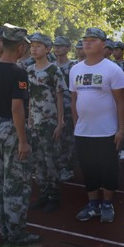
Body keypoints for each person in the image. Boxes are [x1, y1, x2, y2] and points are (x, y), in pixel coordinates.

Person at [0, 25, 40, 245]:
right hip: (12, 130)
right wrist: (23, 140)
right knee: (16, 182)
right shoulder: (18, 72)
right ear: (21, 47)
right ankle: (16, 232)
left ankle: (3, 229)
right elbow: (17, 108)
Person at [70, 27, 124, 223]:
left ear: (103, 44)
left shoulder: (113, 70)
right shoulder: (75, 69)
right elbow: (74, 100)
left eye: (92, 39)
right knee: (88, 169)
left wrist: (121, 130)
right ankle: (93, 204)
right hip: (83, 132)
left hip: (107, 131)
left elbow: (121, 102)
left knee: (108, 170)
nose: (87, 42)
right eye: (85, 39)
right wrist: (76, 125)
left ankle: (107, 204)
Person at [27, 33, 66, 214]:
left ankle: (54, 197)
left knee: (51, 161)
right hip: (34, 123)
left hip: (50, 124)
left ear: (47, 49)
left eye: (38, 46)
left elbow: (60, 97)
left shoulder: (53, 71)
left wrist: (60, 122)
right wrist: (29, 119)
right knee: (38, 162)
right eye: (32, 45)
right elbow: (30, 97)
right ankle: (43, 194)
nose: (34, 49)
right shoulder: (29, 70)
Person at [53, 36, 77, 181]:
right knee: (55, 140)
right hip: (53, 109)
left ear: (68, 48)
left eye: (61, 46)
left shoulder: (74, 67)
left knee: (68, 140)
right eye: (55, 45)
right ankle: (56, 167)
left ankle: (67, 168)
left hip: (68, 109)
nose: (57, 48)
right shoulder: (50, 66)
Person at [111, 41, 124, 160]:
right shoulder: (110, 65)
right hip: (111, 99)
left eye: (117, 50)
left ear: (123, 51)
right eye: (113, 50)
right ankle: (114, 147)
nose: (115, 52)